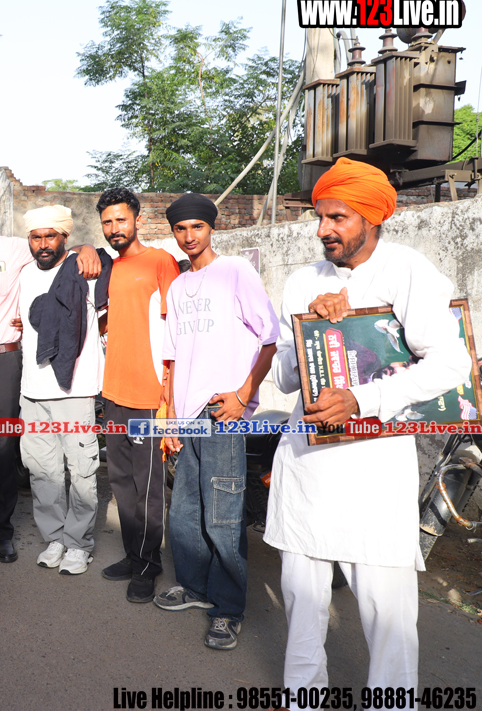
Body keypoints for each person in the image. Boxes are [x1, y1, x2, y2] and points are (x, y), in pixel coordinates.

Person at [268, 158, 470, 687]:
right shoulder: (303, 281)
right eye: (320, 217)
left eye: (337, 218)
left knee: (387, 611)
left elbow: (450, 364)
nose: (323, 229)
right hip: (307, 465)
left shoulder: (406, 270)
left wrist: (361, 399)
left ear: (372, 218)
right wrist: (310, 329)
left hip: (374, 468)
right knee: (302, 598)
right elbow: (286, 377)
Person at [0, 188, 101, 564]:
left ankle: (3, 531)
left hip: (6, 362)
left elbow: (61, 251)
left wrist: (87, 247)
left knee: (3, 447)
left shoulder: (17, 250)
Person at [156, 193, 279, 650]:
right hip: (187, 414)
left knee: (223, 514)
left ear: (212, 228)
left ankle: (228, 609)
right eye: (180, 229)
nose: (189, 236)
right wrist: (170, 418)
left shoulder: (236, 271)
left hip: (222, 412)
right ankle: (194, 586)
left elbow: (270, 340)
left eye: (197, 227)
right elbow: (171, 359)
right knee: (185, 510)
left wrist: (243, 396)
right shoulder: (176, 287)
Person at [96, 187, 180, 603]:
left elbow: (176, 332)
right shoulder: (107, 269)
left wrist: (170, 395)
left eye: (121, 219)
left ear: (138, 220)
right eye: (107, 222)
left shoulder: (160, 262)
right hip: (113, 393)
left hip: (148, 395)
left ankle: (148, 565)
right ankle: (134, 556)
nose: (114, 228)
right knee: (120, 482)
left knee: (147, 487)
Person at [16, 205, 104, 575]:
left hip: (75, 391)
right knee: (42, 471)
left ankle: (79, 544)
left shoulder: (86, 268)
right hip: (33, 391)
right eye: (36, 237)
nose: (43, 244)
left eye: (50, 236)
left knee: (81, 472)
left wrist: (88, 247)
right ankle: (54, 537)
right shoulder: (24, 275)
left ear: (64, 237)